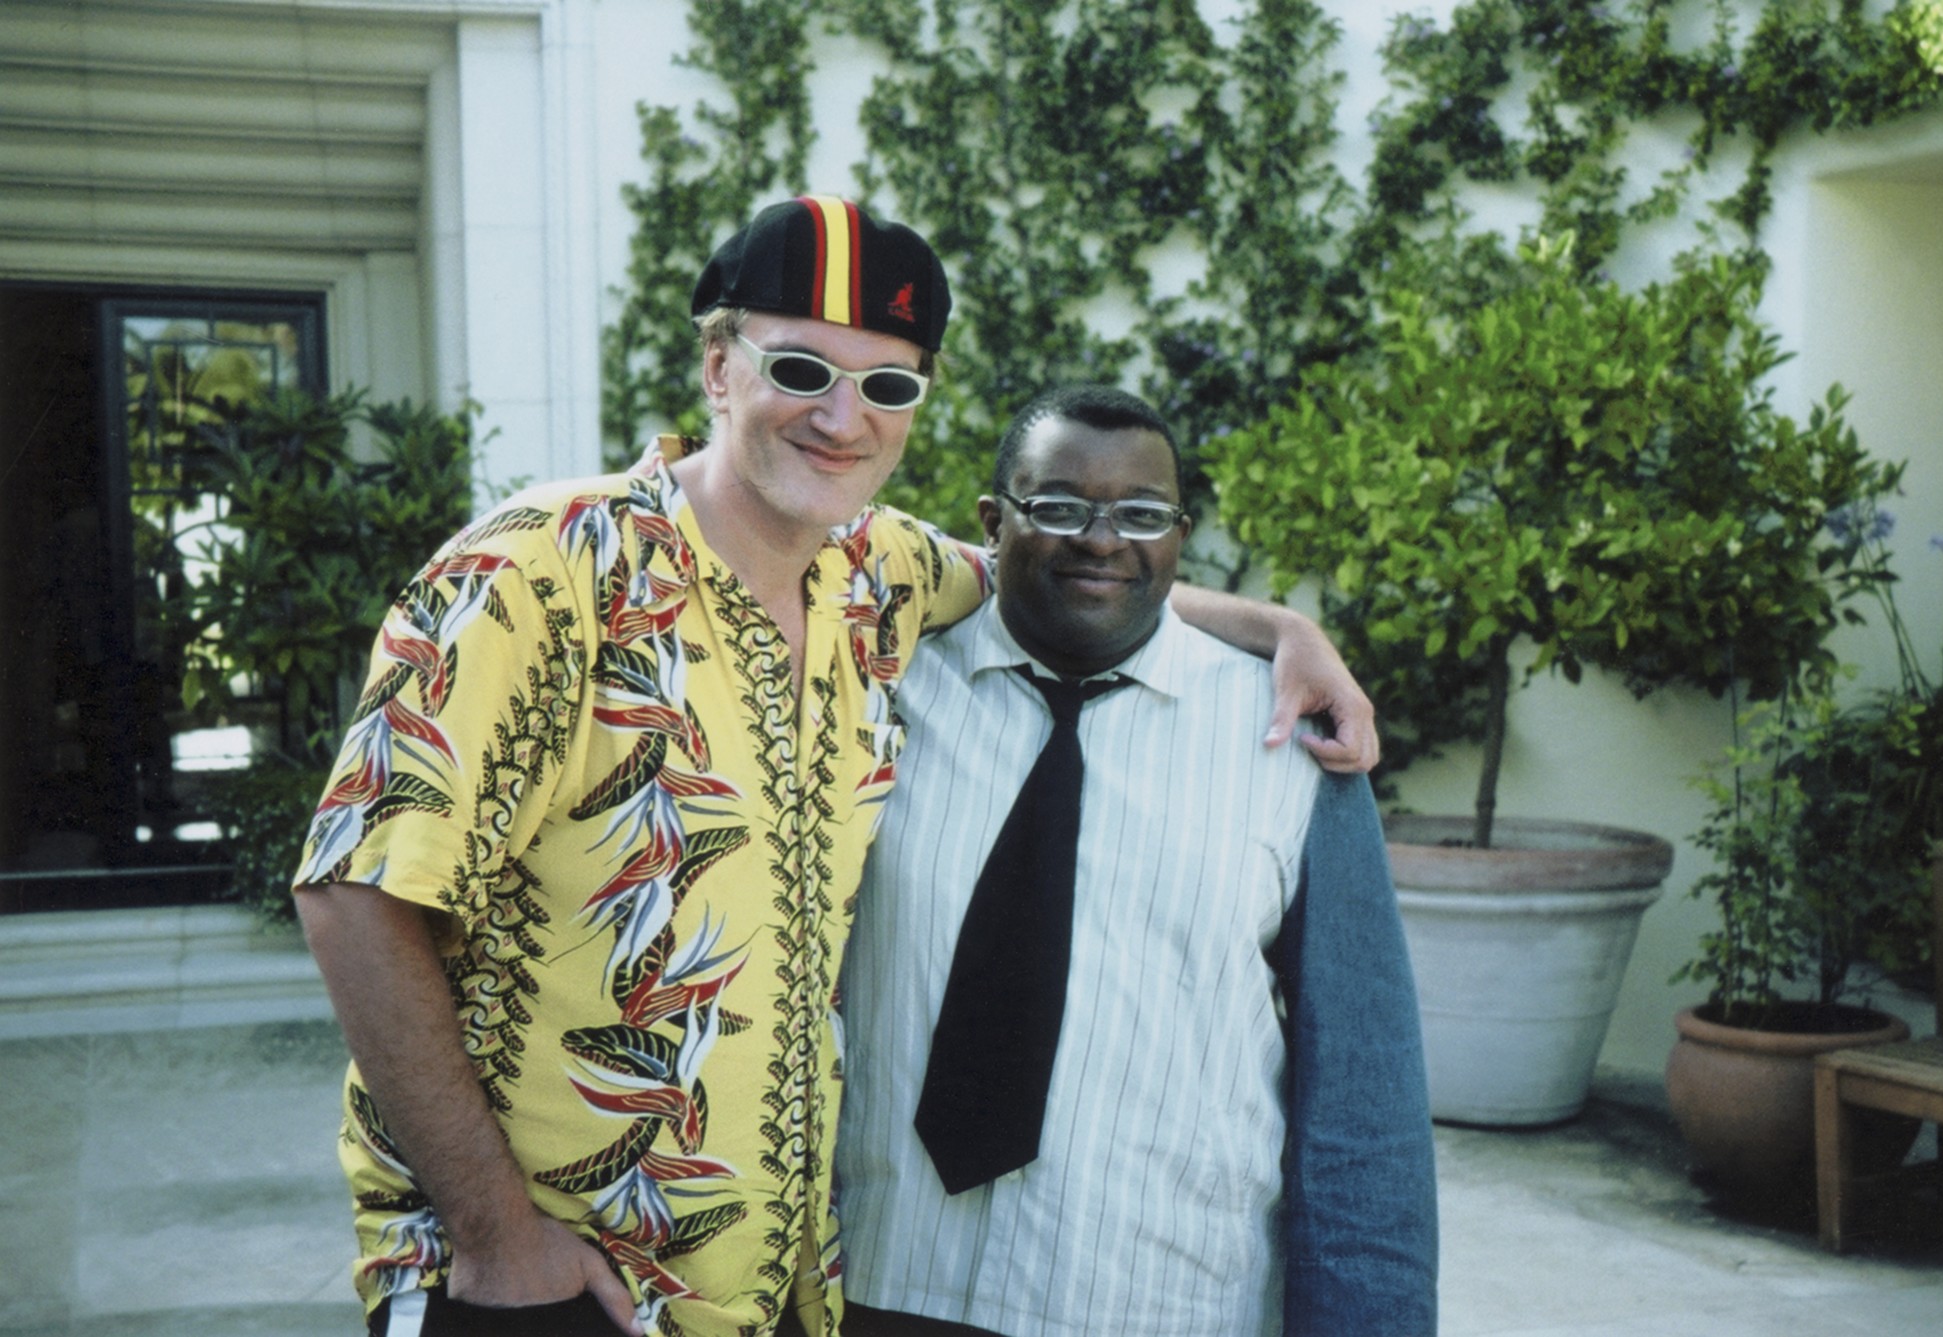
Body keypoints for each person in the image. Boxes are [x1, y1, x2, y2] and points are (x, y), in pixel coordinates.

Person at [292, 197, 1378, 1337]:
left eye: (887, 385)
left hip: (774, 1292)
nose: (842, 417)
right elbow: (353, 893)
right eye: (801, 367)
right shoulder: (536, 570)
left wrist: (1273, 628)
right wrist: (497, 1235)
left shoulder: (877, 575)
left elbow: (1048, 563)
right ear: (718, 366)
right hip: (556, 1283)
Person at [835, 386, 1438, 1337]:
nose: (1101, 540)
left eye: (1142, 515)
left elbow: (1366, 1104)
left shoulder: (1286, 741)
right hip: (880, 1279)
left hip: (1157, 1295)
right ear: (994, 523)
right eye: (1059, 506)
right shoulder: (874, 698)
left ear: (1180, 534)